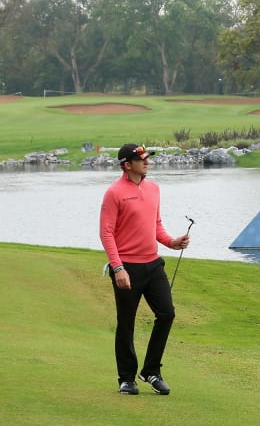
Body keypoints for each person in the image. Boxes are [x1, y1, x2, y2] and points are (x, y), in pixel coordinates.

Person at [99, 143, 191, 396]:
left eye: (147, 158)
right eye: (142, 159)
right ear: (127, 165)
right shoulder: (114, 193)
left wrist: (172, 242)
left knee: (167, 313)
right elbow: (106, 233)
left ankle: (151, 371)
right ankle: (127, 378)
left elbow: (156, 225)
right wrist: (118, 268)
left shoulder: (154, 189)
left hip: (153, 264)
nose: (147, 162)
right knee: (126, 323)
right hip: (127, 266)